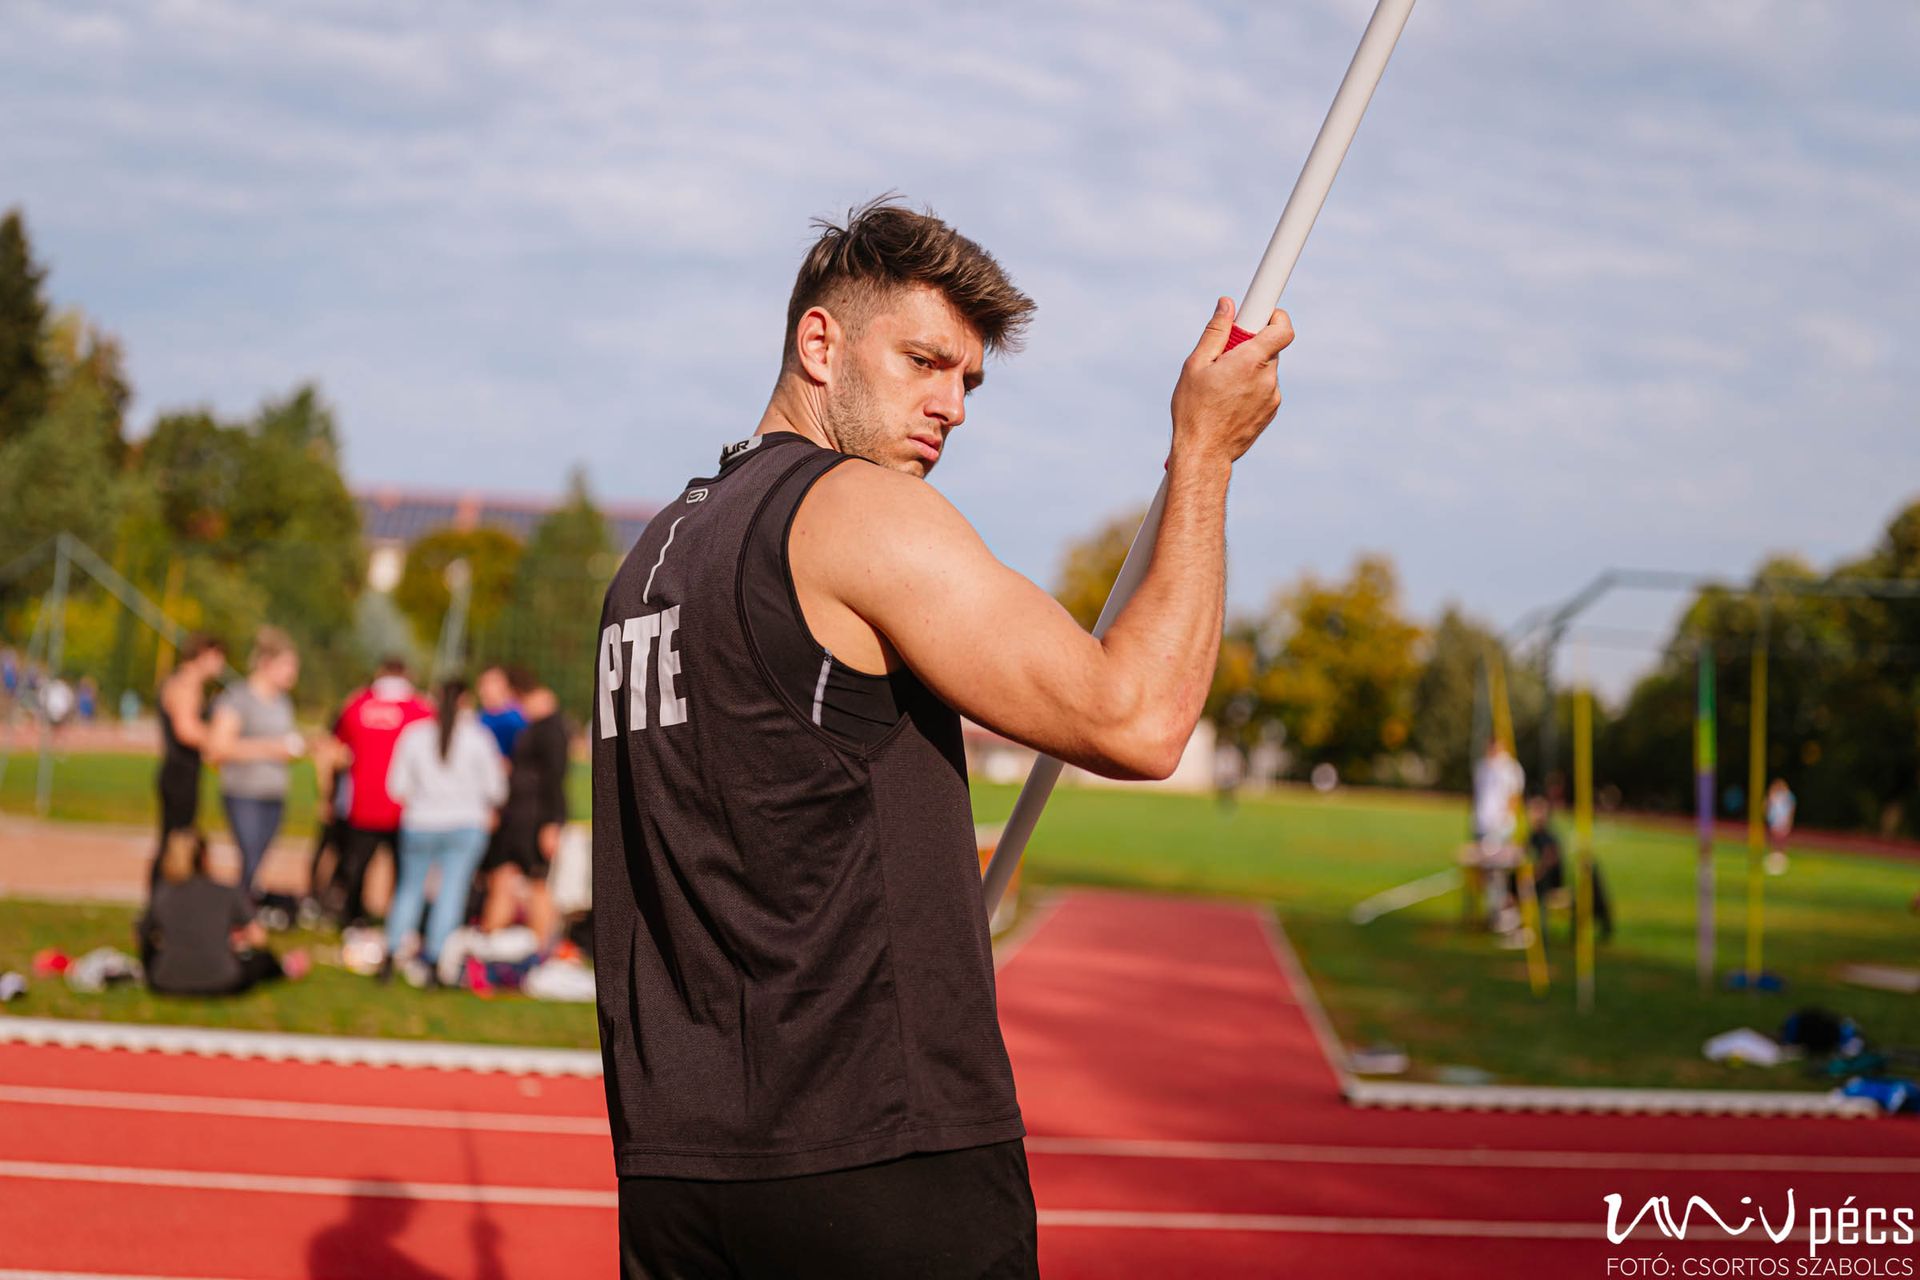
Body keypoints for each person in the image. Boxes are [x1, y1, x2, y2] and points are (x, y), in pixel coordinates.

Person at [592, 199, 1292, 1277]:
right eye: (924, 362)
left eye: (969, 380)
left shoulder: (651, 561)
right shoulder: (857, 512)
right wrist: (1204, 456)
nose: (952, 406)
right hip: (881, 1159)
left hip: (680, 1174)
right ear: (820, 342)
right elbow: (1141, 720)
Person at [381, 678, 506, 986]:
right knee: (451, 891)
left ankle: (391, 953)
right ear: (466, 701)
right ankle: (437, 961)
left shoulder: (415, 736)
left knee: (409, 889)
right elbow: (496, 789)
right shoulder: (478, 738)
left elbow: (396, 786)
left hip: (420, 822)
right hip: (465, 824)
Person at [330, 658, 434, 927]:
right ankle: (401, 919)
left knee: (357, 864)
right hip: (403, 805)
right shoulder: (421, 710)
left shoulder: (357, 705)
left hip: (362, 801)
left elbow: (339, 745)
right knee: (405, 869)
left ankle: (352, 917)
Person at [139, 829, 305, 996]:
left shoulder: (163, 893)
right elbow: (258, 938)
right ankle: (285, 969)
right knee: (259, 959)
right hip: (222, 981)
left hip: (166, 981)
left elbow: (142, 935)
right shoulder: (226, 892)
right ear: (204, 857)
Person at [206, 627, 304, 896]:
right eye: (287, 665)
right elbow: (217, 749)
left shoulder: (283, 702)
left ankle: (245, 909)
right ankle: (241, 911)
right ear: (266, 663)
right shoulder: (238, 698)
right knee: (249, 859)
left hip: (274, 793)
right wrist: (272, 749)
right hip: (243, 793)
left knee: (257, 862)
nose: (293, 673)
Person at [480, 667, 569, 944]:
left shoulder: (552, 730)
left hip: (537, 818)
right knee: (501, 876)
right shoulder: (530, 726)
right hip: (515, 817)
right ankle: (490, 942)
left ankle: (542, 947)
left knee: (536, 883)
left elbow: (555, 780)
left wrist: (552, 823)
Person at [152, 635, 227, 887]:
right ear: (203, 654)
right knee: (174, 842)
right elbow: (186, 730)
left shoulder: (190, 685)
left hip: (185, 772)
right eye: (217, 657)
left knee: (177, 838)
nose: (221, 665)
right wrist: (218, 739)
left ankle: (165, 897)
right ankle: (161, 897)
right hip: (179, 773)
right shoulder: (185, 685)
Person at [475, 664, 526, 758]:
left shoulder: (517, 720)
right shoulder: (479, 719)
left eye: (489, 683)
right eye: (481, 684)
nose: (483, 690)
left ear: (504, 685)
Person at [1765, 777, 1796, 876]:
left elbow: (1791, 808)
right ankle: (1774, 855)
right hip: (1774, 819)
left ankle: (1781, 857)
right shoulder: (1774, 795)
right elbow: (1767, 804)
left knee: (1782, 839)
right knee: (1774, 838)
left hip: (1782, 820)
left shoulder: (1788, 796)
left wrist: (1789, 820)